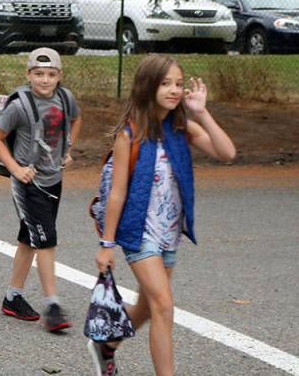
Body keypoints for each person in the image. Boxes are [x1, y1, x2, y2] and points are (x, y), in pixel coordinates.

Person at [90, 55, 235, 376]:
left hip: (169, 232)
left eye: (179, 84)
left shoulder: (183, 128)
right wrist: (106, 244)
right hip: (138, 232)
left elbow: (227, 153)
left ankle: (107, 344)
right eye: (166, 83)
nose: (174, 90)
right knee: (164, 307)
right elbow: (117, 193)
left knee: (146, 306)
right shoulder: (130, 134)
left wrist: (202, 112)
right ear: (148, 86)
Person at [0, 48, 82, 332]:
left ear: (60, 76)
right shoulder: (20, 106)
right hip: (28, 184)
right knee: (46, 240)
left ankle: (12, 297)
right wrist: (16, 169)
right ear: (28, 74)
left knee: (30, 239)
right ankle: (53, 305)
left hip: (54, 178)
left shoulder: (66, 99)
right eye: (39, 74)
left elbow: (76, 120)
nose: (45, 80)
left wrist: (68, 147)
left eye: (51, 74)